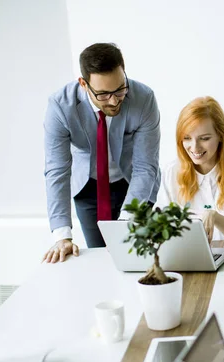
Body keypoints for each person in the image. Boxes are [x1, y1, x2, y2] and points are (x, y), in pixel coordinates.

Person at [42, 43, 161, 262]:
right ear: (84, 84)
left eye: (120, 89)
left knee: (138, 258)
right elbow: (57, 171)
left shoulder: (144, 98)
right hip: (88, 188)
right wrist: (62, 236)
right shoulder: (60, 106)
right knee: (101, 260)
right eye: (104, 94)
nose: (115, 101)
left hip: (134, 182)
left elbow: (146, 166)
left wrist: (127, 223)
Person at [159, 96, 224, 245]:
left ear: (220, 136)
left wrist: (214, 217)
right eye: (187, 138)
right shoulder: (171, 172)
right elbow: (160, 228)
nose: (195, 147)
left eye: (204, 138)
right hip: (192, 259)